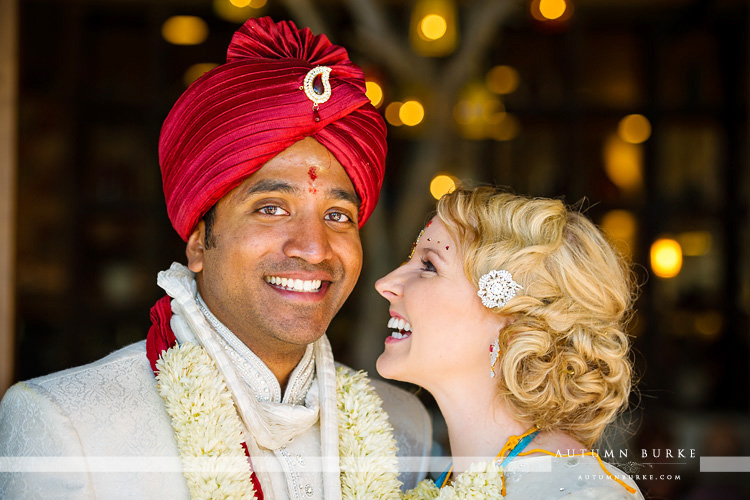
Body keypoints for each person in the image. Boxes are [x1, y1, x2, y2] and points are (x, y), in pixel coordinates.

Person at [0, 17, 431, 500]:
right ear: (199, 242)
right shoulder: (67, 426)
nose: (313, 247)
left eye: (337, 215)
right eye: (271, 209)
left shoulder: (404, 428)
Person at [376, 187, 645, 499]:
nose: (384, 283)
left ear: (514, 322)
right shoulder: (437, 479)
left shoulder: (579, 493)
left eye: (429, 266)